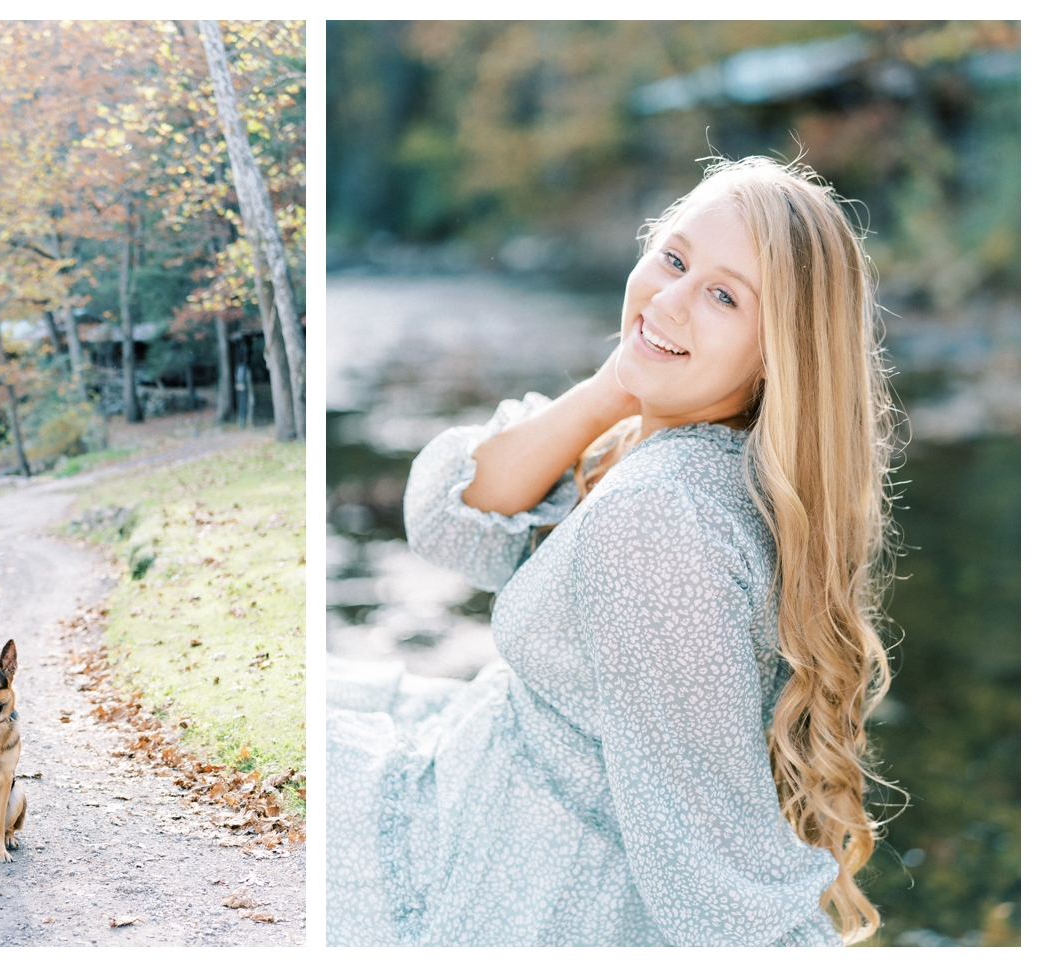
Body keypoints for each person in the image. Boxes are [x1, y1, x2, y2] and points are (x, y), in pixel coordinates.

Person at [327, 157, 897, 946]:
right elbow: (446, 521)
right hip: (475, 791)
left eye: (723, 295)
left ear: (780, 356)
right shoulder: (678, 449)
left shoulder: (661, 522)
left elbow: (718, 886)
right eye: (672, 256)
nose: (668, 299)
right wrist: (616, 387)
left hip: (517, 889)